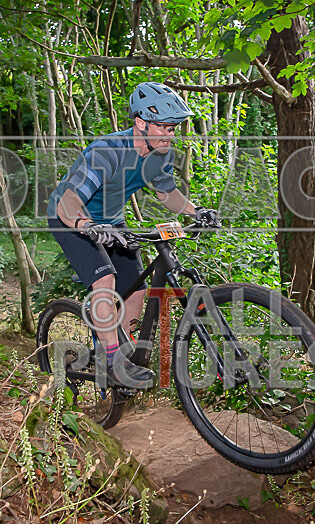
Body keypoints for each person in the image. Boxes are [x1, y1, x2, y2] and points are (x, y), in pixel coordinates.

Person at [47, 82, 220, 388]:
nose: (170, 134)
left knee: (136, 289)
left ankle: (114, 350)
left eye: (174, 128)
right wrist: (88, 226)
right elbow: (69, 201)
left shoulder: (159, 155)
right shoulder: (107, 152)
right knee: (105, 279)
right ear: (141, 122)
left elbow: (168, 195)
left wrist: (196, 212)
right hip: (71, 220)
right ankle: (113, 363)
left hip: (112, 221)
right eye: (164, 127)